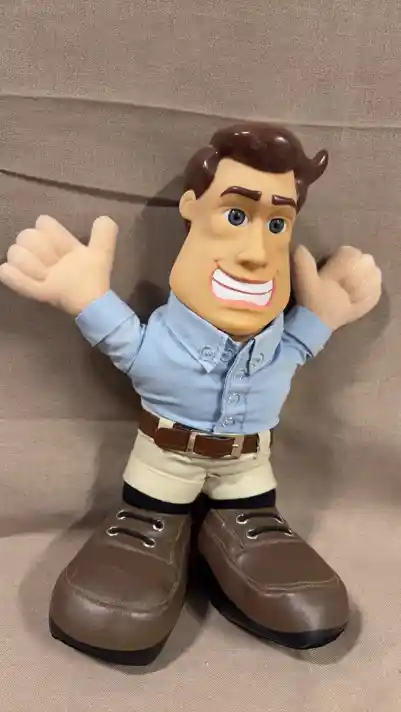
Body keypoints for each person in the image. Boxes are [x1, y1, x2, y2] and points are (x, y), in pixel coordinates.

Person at [0, 122, 382, 664]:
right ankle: (149, 527)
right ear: (191, 209)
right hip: (162, 469)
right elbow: (125, 341)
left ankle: (246, 524)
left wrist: (325, 312)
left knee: (263, 524)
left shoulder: (277, 350)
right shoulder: (162, 344)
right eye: (235, 216)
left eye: (277, 224)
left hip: (248, 473)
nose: (256, 253)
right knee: (144, 528)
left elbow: (297, 345)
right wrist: (83, 294)